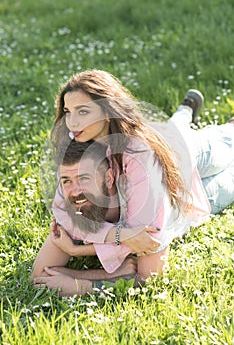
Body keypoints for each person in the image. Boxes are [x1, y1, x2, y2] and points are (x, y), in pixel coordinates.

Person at [32, 70, 234, 296]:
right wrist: (116, 245)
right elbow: (62, 212)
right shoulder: (77, 143)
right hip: (165, 165)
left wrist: (81, 263)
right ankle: (186, 109)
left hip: (183, 151)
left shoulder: (138, 152)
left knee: (227, 144)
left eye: (83, 111)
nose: (72, 122)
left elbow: (148, 237)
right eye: (68, 112)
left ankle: (205, 118)